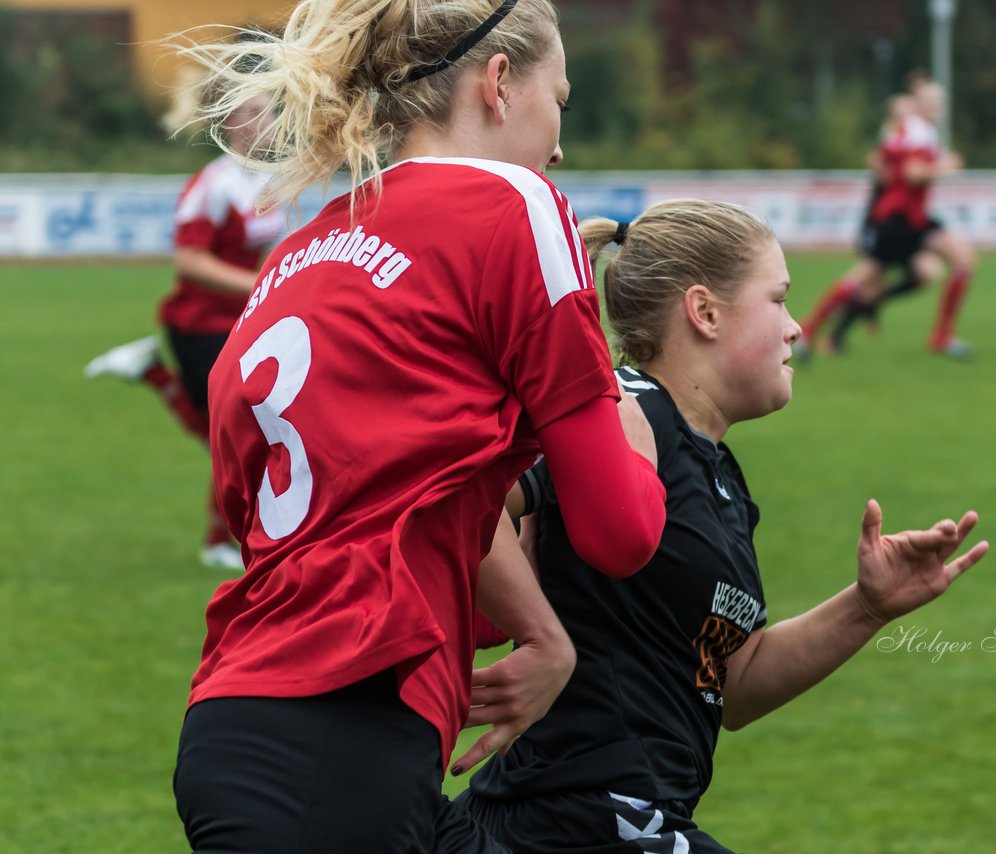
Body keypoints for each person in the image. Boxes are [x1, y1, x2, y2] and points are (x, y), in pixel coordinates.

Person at [166, 2, 668, 851]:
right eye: (563, 103)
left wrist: (543, 632)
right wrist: (629, 394)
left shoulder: (301, 252)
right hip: (345, 743)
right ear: (500, 83)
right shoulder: (518, 201)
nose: (559, 146)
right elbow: (621, 533)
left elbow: (390, 495)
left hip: (241, 716)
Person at [458, 199, 989, 852]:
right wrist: (542, 639)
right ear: (705, 312)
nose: (796, 328)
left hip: (612, 817)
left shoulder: (719, 474)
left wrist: (867, 607)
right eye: (778, 300)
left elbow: (732, 682)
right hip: (574, 819)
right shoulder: (622, 413)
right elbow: (459, 498)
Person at [84, 83, 285, 570]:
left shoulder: (272, 177)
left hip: (240, 321)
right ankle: (222, 540)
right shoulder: (213, 184)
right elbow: (189, 261)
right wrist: (260, 283)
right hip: (199, 323)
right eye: (254, 111)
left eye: (270, 111)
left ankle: (223, 539)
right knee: (233, 435)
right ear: (231, 121)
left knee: (243, 433)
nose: (266, 121)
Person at [799, 77, 976, 359]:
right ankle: (809, 331)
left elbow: (884, 160)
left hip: (913, 219)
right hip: (897, 220)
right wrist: (946, 166)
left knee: (956, 261)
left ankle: (941, 336)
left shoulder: (912, 131)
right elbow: (912, 173)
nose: (939, 107)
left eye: (941, 101)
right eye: (933, 102)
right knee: (866, 279)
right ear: (919, 105)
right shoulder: (918, 133)